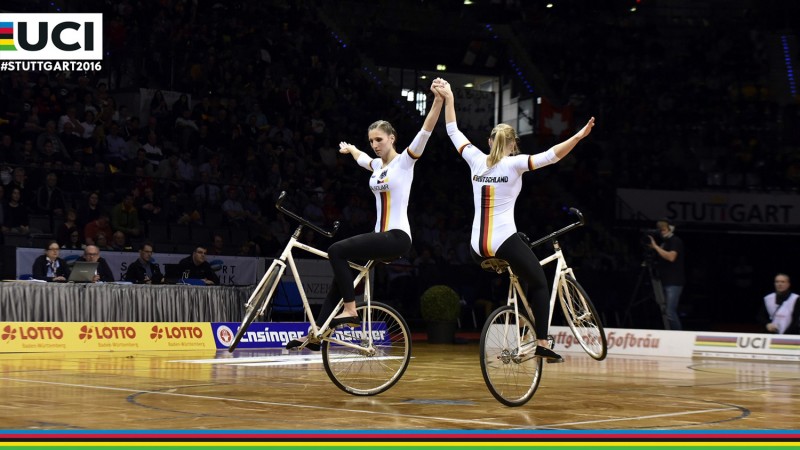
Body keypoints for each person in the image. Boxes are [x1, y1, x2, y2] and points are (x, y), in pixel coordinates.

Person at [436, 79, 595, 362]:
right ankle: (542, 341)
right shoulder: (515, 163)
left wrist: (448, 98)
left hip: (476, 247)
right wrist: (578, 137)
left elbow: (452, 130)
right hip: (502, 240)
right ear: (513, 144)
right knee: (540, 285)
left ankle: (521, 320)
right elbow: (551, 156)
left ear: (488, 142)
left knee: (521, 259)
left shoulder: (475, 158)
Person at [286, 79, 444, 351]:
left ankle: (350, 311)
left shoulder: (405, 162)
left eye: (379, 139)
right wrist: (350, 149)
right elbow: (361, 158)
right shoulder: (376, 167)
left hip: (396, 237)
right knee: (340, 275)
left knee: (336, 251)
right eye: (371, 141)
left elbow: (426, 129)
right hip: (379, 235)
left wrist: (439, 100)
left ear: (392, 138)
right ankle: (317, 333)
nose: (374, 144)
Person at [648, 218, 686, 331]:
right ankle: (668, 334)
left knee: (670, 311)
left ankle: (678, 335)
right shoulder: (665, 243)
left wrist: (656, 247)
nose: (662, 232)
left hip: (674, 282)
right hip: (664, 280)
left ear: (670, 229)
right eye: (660, 230)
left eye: (664, 229)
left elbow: (671, 257)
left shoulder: (675, 241)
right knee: (664, 311)